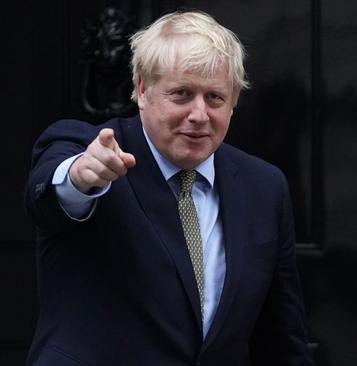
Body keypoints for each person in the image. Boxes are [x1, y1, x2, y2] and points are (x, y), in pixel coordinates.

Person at [25, 10, 313, 365]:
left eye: (214, 98)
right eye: (181, 94)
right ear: (143, 90)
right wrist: (81, 177)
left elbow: (282, 337)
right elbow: (50, 196)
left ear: (234, 100)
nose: (199, 114)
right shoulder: (90, 150)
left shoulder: (265, 187)